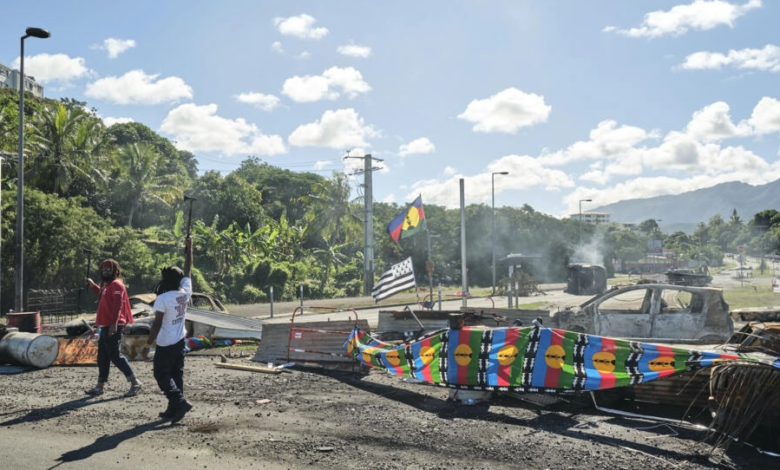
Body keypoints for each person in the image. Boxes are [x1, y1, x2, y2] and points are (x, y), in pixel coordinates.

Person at [142, 237, 194, 423]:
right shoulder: (184, 293)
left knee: (161, 374)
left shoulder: (163, 299)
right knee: (176, 374)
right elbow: (188, 270)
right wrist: (190, 249)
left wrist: (148, 345)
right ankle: (174, 410)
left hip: (165, 343)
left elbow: (156, 325)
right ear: (179, 280)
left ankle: (180, 402)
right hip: (180, 341)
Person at [85, 259, 143, 397]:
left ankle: (135, 382)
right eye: (104, 270)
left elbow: (118, 306)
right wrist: (93, 286)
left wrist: (114, 324)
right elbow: (104, 296)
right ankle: (100, 386)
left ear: (115, 271)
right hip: (106, 325)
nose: (105, 272)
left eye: (108, 270)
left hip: (112, 325)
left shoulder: (117, 285)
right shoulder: (107, 285)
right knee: (103, 357)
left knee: (115, 356)